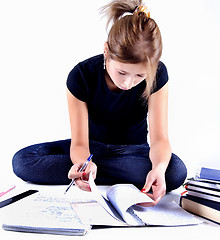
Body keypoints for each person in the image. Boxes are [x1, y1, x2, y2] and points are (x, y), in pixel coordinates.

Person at [12, 0, 187, 206]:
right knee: (23, 161)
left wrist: (158, 167)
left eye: (139, 75)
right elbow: (78, 144)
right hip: (90, 149)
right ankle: (106, 173)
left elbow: (160, 140)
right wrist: (84, 163)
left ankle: (97, 173)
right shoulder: (81, 75)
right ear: (106, 51)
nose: (128, 83)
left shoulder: (159, 74)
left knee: (175, 170)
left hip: (133, 151)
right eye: (122, 72)